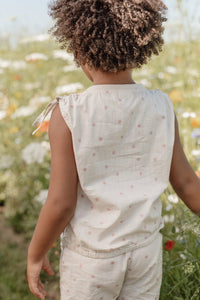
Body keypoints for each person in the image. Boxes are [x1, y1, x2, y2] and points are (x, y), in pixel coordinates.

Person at [27, 0, 200, 299]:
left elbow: (61, 203)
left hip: (91, 259)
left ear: (78, 48)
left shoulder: (69, 113)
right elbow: (186, 182)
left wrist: (35, 252)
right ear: (140, 46)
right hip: (145, 252)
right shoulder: (161, 105)